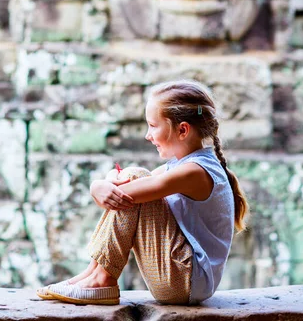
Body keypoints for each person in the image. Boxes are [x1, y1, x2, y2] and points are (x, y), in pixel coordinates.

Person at [37, 79, 250, 305]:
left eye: (153, 125)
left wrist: (99, 186)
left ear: (182, 130)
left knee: (139, 177)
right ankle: (93, 273)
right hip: (183, 280)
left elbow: (133, 187)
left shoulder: (195, 172)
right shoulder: (183, 165)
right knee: (137, 175)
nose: (148, 135)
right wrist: (101, 184)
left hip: (185, 280)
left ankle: (102, 279)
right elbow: (125, 180)